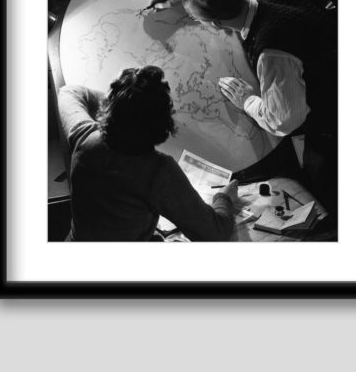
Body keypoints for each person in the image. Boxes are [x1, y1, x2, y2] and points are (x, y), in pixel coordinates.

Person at [147, 0, 337, 217]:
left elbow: (283, 120)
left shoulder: (272, 53)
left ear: (215, 24)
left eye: (196, 18)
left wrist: (247, 100)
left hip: (333, 121)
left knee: (327, 194)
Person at [58, 65, 237, 241]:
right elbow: (215, 233)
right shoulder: (158, 172)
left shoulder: (84, 136)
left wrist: (122, 102)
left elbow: (69, 92)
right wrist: (224, 198)